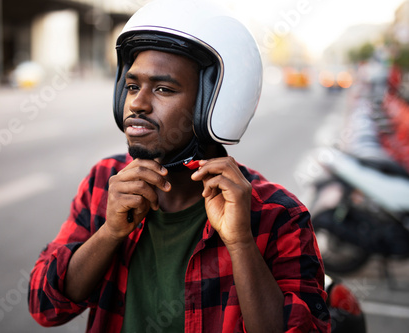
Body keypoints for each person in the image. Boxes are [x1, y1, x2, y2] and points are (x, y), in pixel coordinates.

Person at [28, 1, 330, 332]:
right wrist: (109, 233)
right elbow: (44, 307)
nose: (138, 104)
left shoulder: (279, 215)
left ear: (216, 103)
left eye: (163, 89)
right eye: (131, 87)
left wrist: (241, 242)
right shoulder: (106, 181)